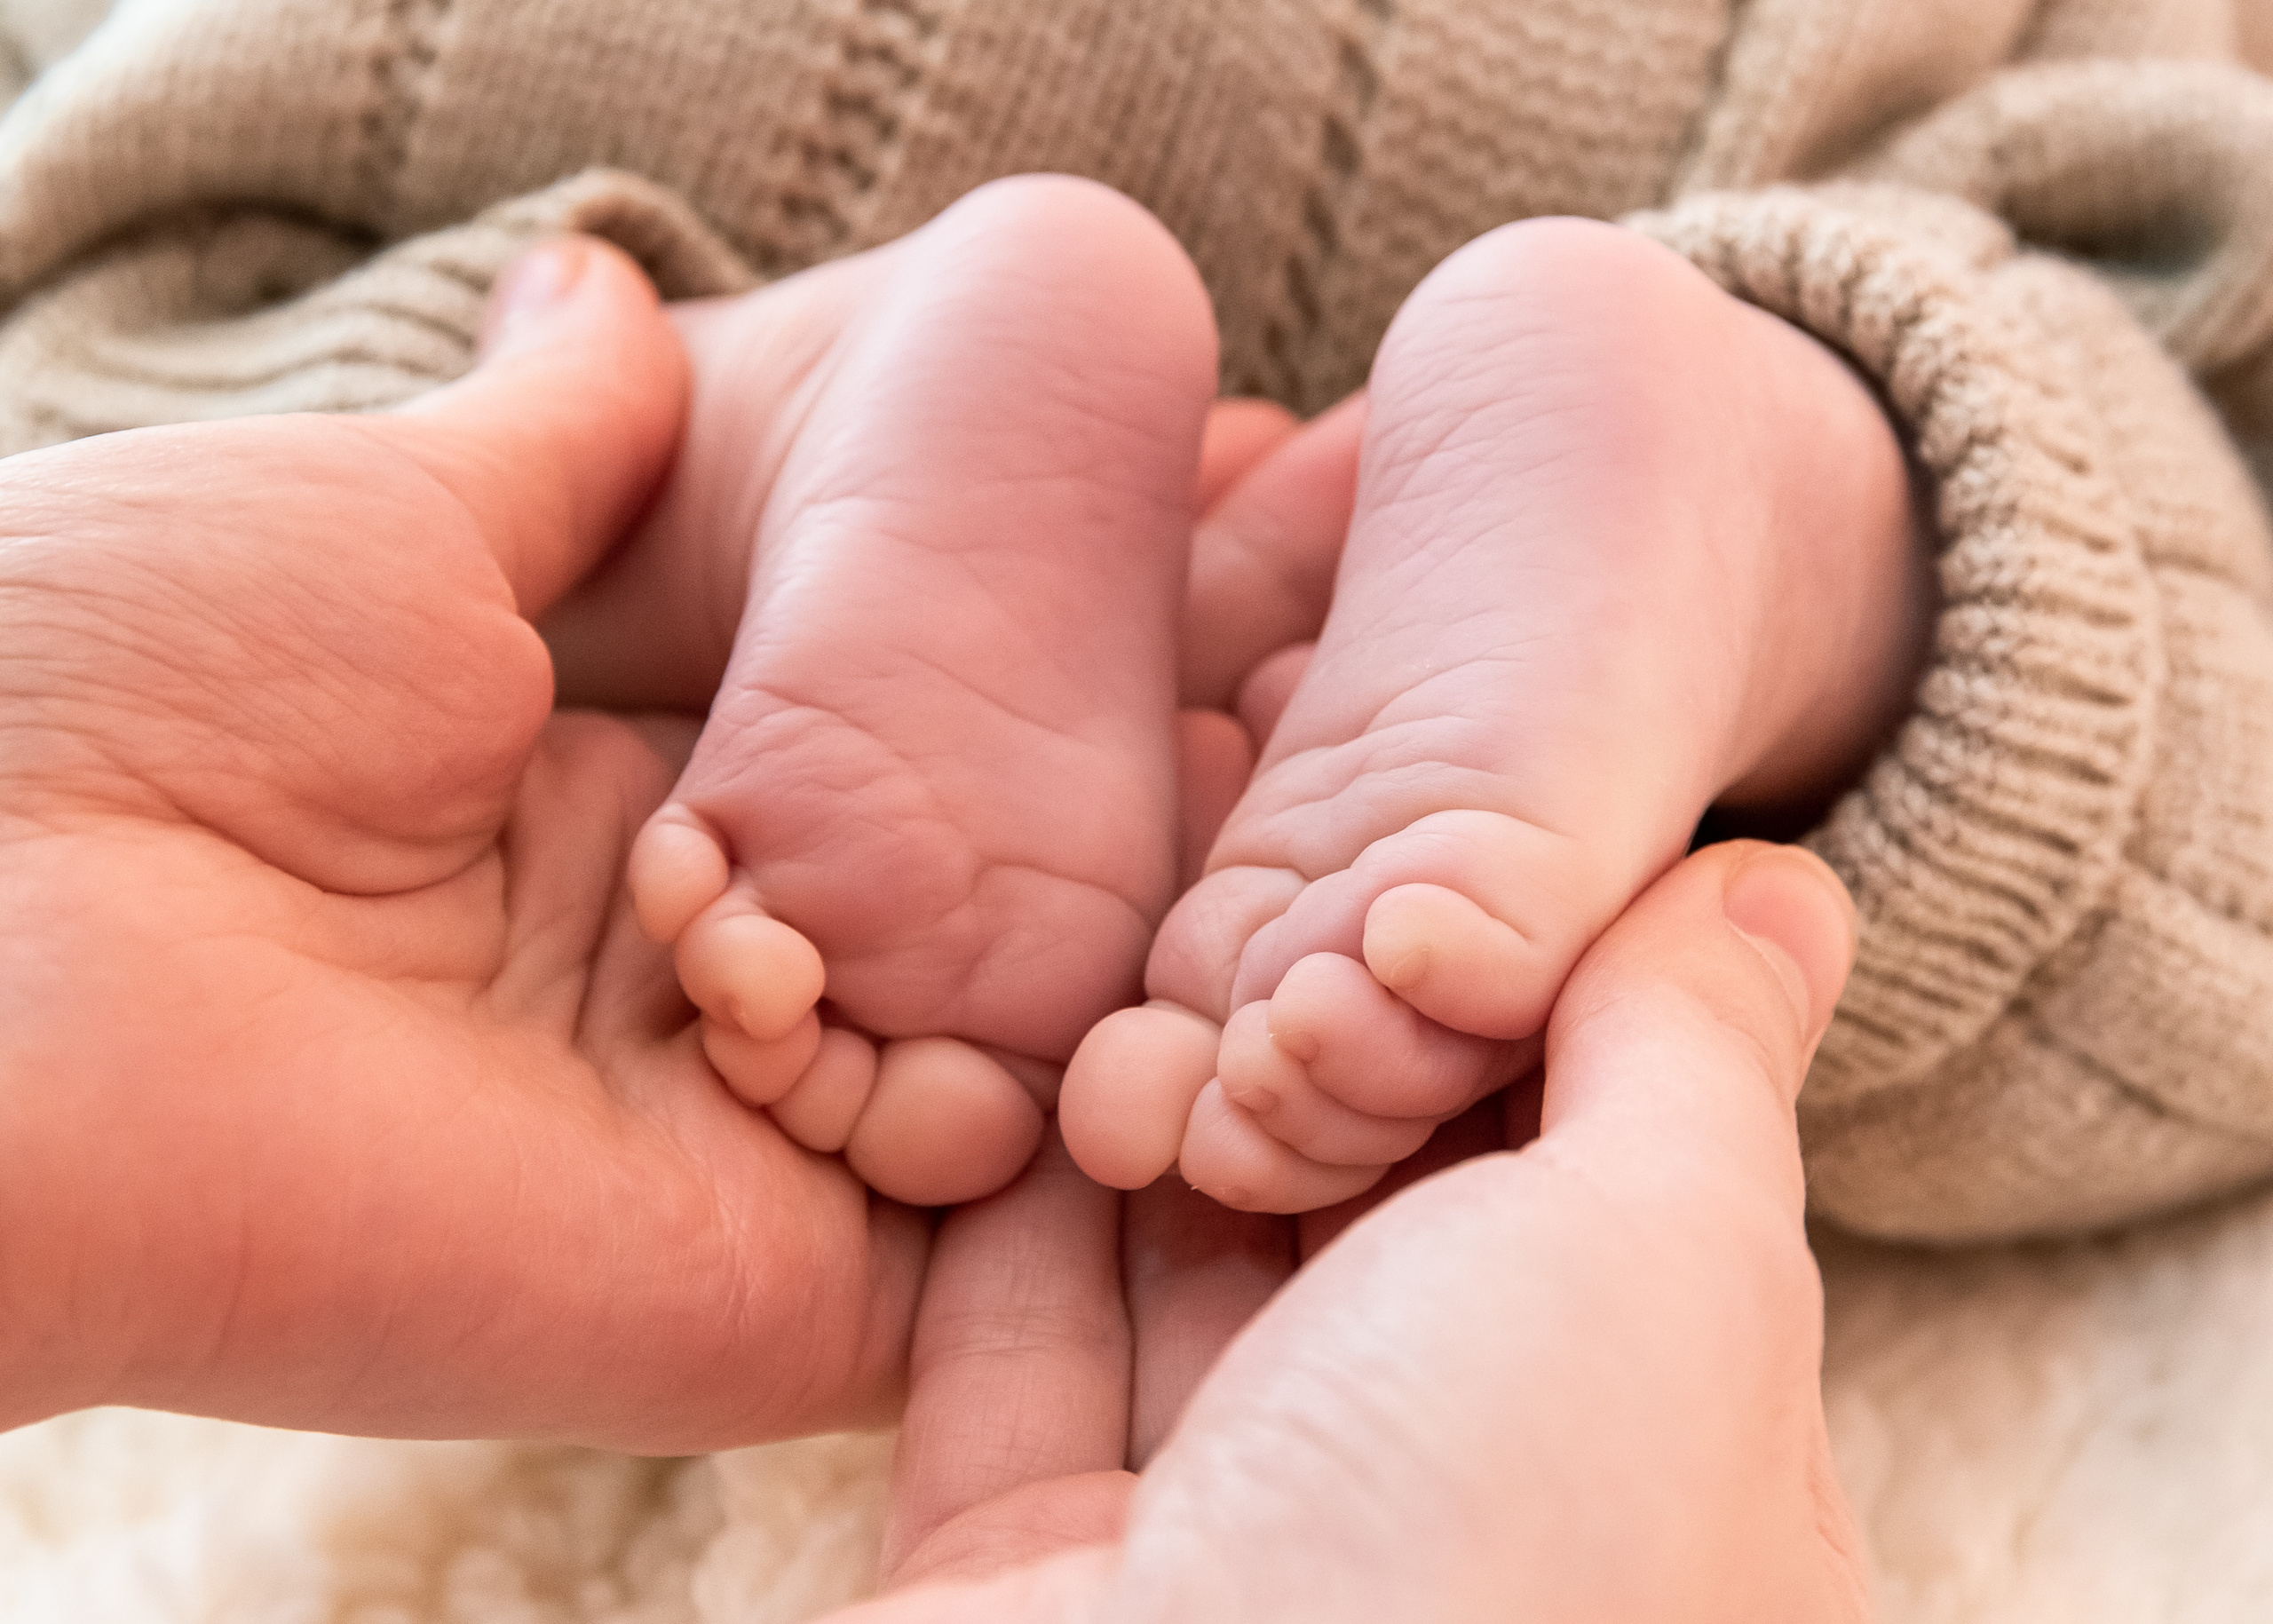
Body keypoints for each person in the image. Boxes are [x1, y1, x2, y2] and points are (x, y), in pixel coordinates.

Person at [8, 0, 2273, 1242]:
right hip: (1712, 95)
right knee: (2129, 634)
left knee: (156, 421)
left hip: (585, 76)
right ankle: (1772, 472)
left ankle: (758, 434)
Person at [0, 254, 1869, 1620]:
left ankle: (844, 418)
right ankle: (1759, 469)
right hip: (1668, 154)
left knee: (208, 319)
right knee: (1972, 461)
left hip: (702, 207)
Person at [539, 171, 1925, 1216]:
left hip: (787, 223)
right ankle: (1746, 481)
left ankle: (835, 402)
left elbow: (458, 357)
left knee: (557, 451)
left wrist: (476, 347)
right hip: (1711, 211)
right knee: (1938, 536)